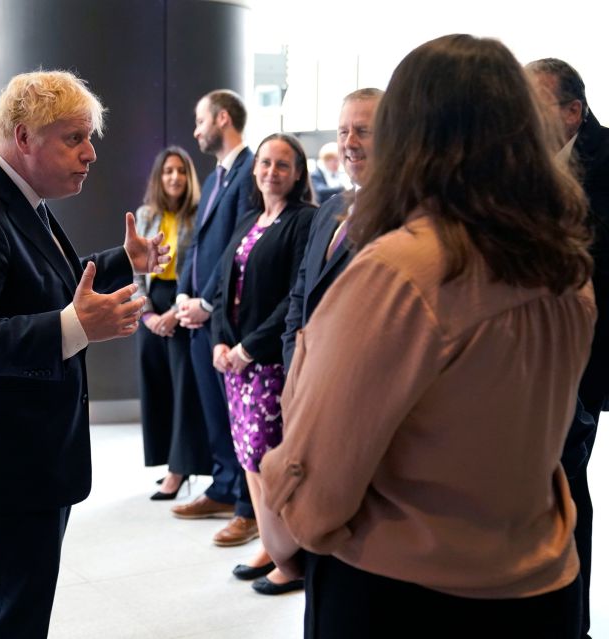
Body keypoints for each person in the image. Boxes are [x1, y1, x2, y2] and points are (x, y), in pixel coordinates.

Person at [260, 34, 594, 637]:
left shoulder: (398, 273)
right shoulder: (566, 268)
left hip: (406, 597)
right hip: (540, 586)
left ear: (411, 135)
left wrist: (281, 525)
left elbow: (315, 492)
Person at [0, 70, 169, 639]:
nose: (91, 153)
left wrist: (122, 261)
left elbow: (41, 284)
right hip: (3, 463)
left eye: (89, 137)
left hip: (21, 457)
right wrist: (75, 326)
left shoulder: (18, 200)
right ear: (24, 137)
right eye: (74, 138)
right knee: (10, 616)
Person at [211, 133, 315, 594]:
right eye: (266, 163)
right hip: (235, 363)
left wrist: (249, 347)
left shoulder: (304, 221)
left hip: (267, 362)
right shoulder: (251, 218)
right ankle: (272, 545)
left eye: (282, 165)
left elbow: (296, 295)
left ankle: (291, 560)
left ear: (297, 174)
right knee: (249, 459)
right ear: (255, 170)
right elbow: (221, 287)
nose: (271, 171)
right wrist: (219, 341)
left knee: (270, 461)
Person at [526, 58, 609, 639]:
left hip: (582, 356)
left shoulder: (603, 164)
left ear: (572, 111)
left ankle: (569, 621)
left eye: (534, 106)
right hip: (534, 355)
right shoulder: (526, 165)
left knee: (565, 485)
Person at [173, 89, 259, 547]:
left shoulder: (250, 172)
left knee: (237, 414)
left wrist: (206, 302)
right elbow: (200, 243)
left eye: (200, 120)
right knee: (213, 412)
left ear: (222, 118)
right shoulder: (216, 176)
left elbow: (237, 246)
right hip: (199, 315)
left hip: (227, 316)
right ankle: (224, 488)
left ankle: (248, 505)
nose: (196, 129)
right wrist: (185, 294)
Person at [282, 88, 383, 370]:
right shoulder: (328, 209)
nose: (349, 142)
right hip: (306, 375)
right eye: (342, 132)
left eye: (363, 130)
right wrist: (294, 369)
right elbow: (300, 295)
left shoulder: (399, 215)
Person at [135, 146, 213, 499]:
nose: (174, 177)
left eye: (181, 171)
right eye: (168, 171)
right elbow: (135, 271)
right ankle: (168, 460)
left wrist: (174, 313)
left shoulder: (198, 216)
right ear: (159, 177)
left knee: (185, 389)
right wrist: (148, 315)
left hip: (183, 304)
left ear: (189, 177)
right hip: (151, 305)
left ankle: (180, 470)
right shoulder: (145, 215)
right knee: (157, 387)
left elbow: (200, 271)